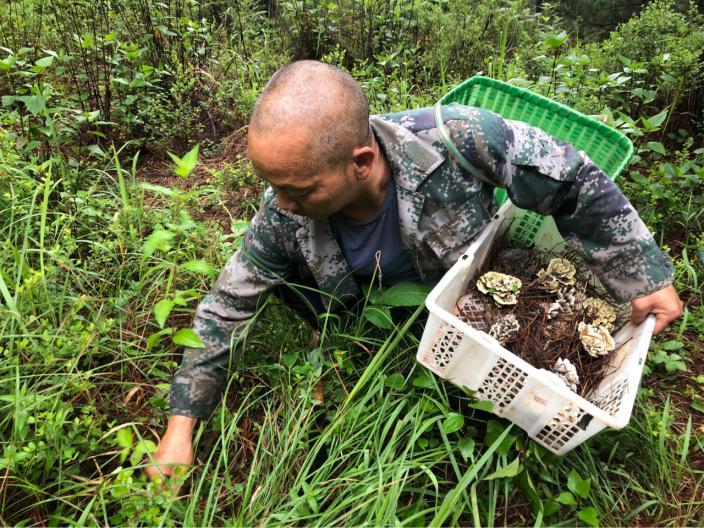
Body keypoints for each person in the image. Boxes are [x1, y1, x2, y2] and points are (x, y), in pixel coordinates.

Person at [145, 60, 683, 481]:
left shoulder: (460, 140)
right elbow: (226, 308)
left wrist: (644, 277)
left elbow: (570, 179)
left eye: (299, 189)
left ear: (360, 162)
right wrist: (179, 430)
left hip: (463, 304)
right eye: (273, 185)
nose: (281, 203)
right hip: (366, 318)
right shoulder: (283, 214)